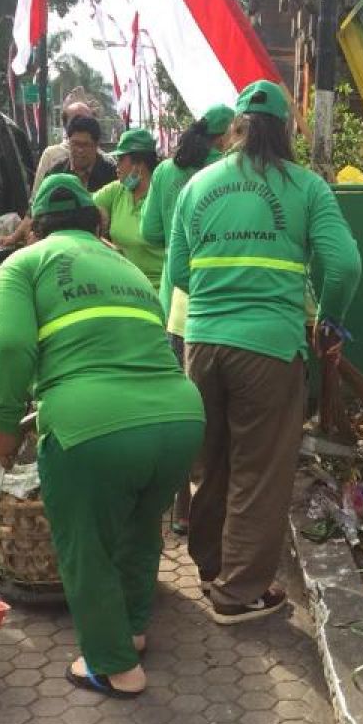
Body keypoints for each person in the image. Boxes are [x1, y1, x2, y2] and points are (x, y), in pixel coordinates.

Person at [0, 174, 204, 697]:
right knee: (138, 528)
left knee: (87, 545)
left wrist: (3, 422)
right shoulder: (125, 266)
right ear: (95, 222)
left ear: (36, 226)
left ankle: (114, 666)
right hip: (179, 420)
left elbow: (9, 346)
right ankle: (132, 629)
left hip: (92, 427)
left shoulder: (23, 263)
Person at [165, 80, 362, 624]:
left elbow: (179, 269)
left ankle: (210, 568)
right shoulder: (306, 187)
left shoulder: (197, 185)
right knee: (260, 468)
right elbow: (344, 265)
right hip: (270, 348)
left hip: (202, 342)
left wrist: (220, 289)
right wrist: (328, 317)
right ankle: (239, 592)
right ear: (285, 129)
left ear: (236, 128)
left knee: (214, 461)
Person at [144, 103, 236, 536]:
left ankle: (174, 505)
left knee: (178, 409)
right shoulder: (225, 168)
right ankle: (200, 511)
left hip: (173, 306)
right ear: (226, 136)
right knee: (215, 417)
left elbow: (150, 234)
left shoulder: (165, 172)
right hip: (213, 308)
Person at [1, 115, 117, 248]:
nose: (79, 150)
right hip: (58, 244)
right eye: (75, 143)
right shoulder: (56, 172)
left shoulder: (110, 174)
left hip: (99, 245)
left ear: (96, 145)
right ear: (68, 142)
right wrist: (13, 238)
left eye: (85, 145)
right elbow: (34, 211)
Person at [92, 128, 164, 288]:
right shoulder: (117, 190)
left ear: (139, 164)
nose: (116, 166)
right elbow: (82, 207)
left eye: (121, 160)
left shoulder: (162, 195)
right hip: (124, 286)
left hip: (158, 289)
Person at [32, 101, 96, 194]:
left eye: (87, 120)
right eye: (77, 120)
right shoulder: (52, 157)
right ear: (66, 126)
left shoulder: (106, 164)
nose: (80, 151)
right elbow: (37, 197)